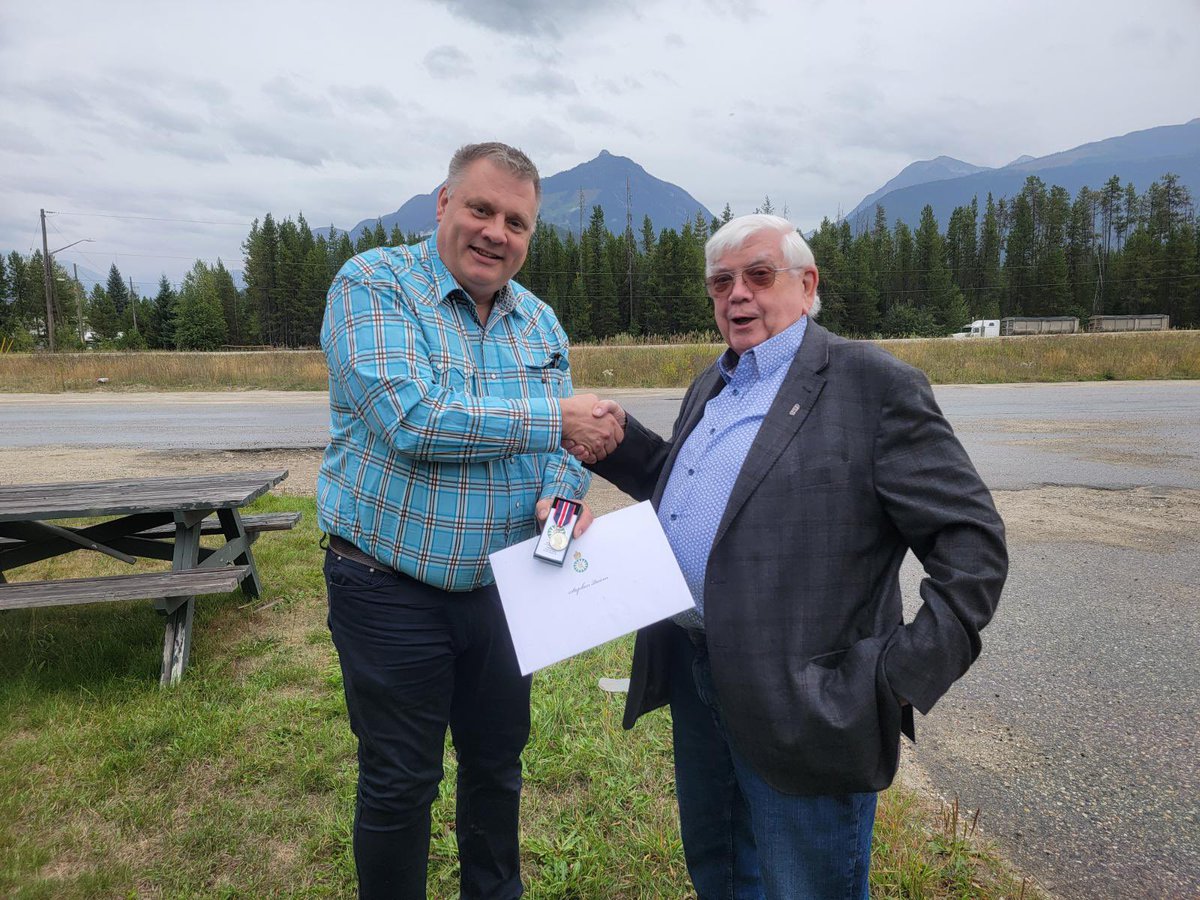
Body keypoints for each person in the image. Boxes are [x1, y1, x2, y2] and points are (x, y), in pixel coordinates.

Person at [580, 214, 1008, 899]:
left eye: (758, 275)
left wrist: (895, 678)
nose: (737, 295)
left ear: (807, 286)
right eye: (722, 282)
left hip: (808, 704)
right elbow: (693, 486)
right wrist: (622, 440)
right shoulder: (713, 384)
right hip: (698, 676)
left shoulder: (871, 383)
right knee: (720, 872)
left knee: (803, 886)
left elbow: (972, 541)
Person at [317, 141, 623, 899]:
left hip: (502, 587)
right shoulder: (374, 284)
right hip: (388, 583)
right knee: (399, 782)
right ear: (443, 205)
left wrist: (561, 502)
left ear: (529, 235)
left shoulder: (539, 323)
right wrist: (555, 420)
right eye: (482, 209)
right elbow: (413, 420)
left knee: (497, 765)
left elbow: (567, 452)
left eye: (516, 222)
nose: (496, 232)